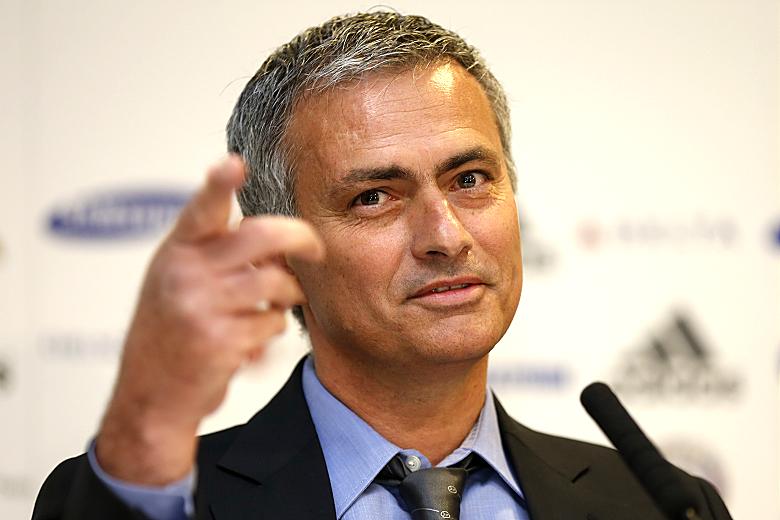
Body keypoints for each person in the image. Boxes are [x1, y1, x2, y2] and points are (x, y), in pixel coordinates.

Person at [32, 11, 732, 520]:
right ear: (276, 253)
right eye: (374, 196)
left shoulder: (658, 504)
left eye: (469, 180)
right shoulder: (149, 500)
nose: (446, 236)